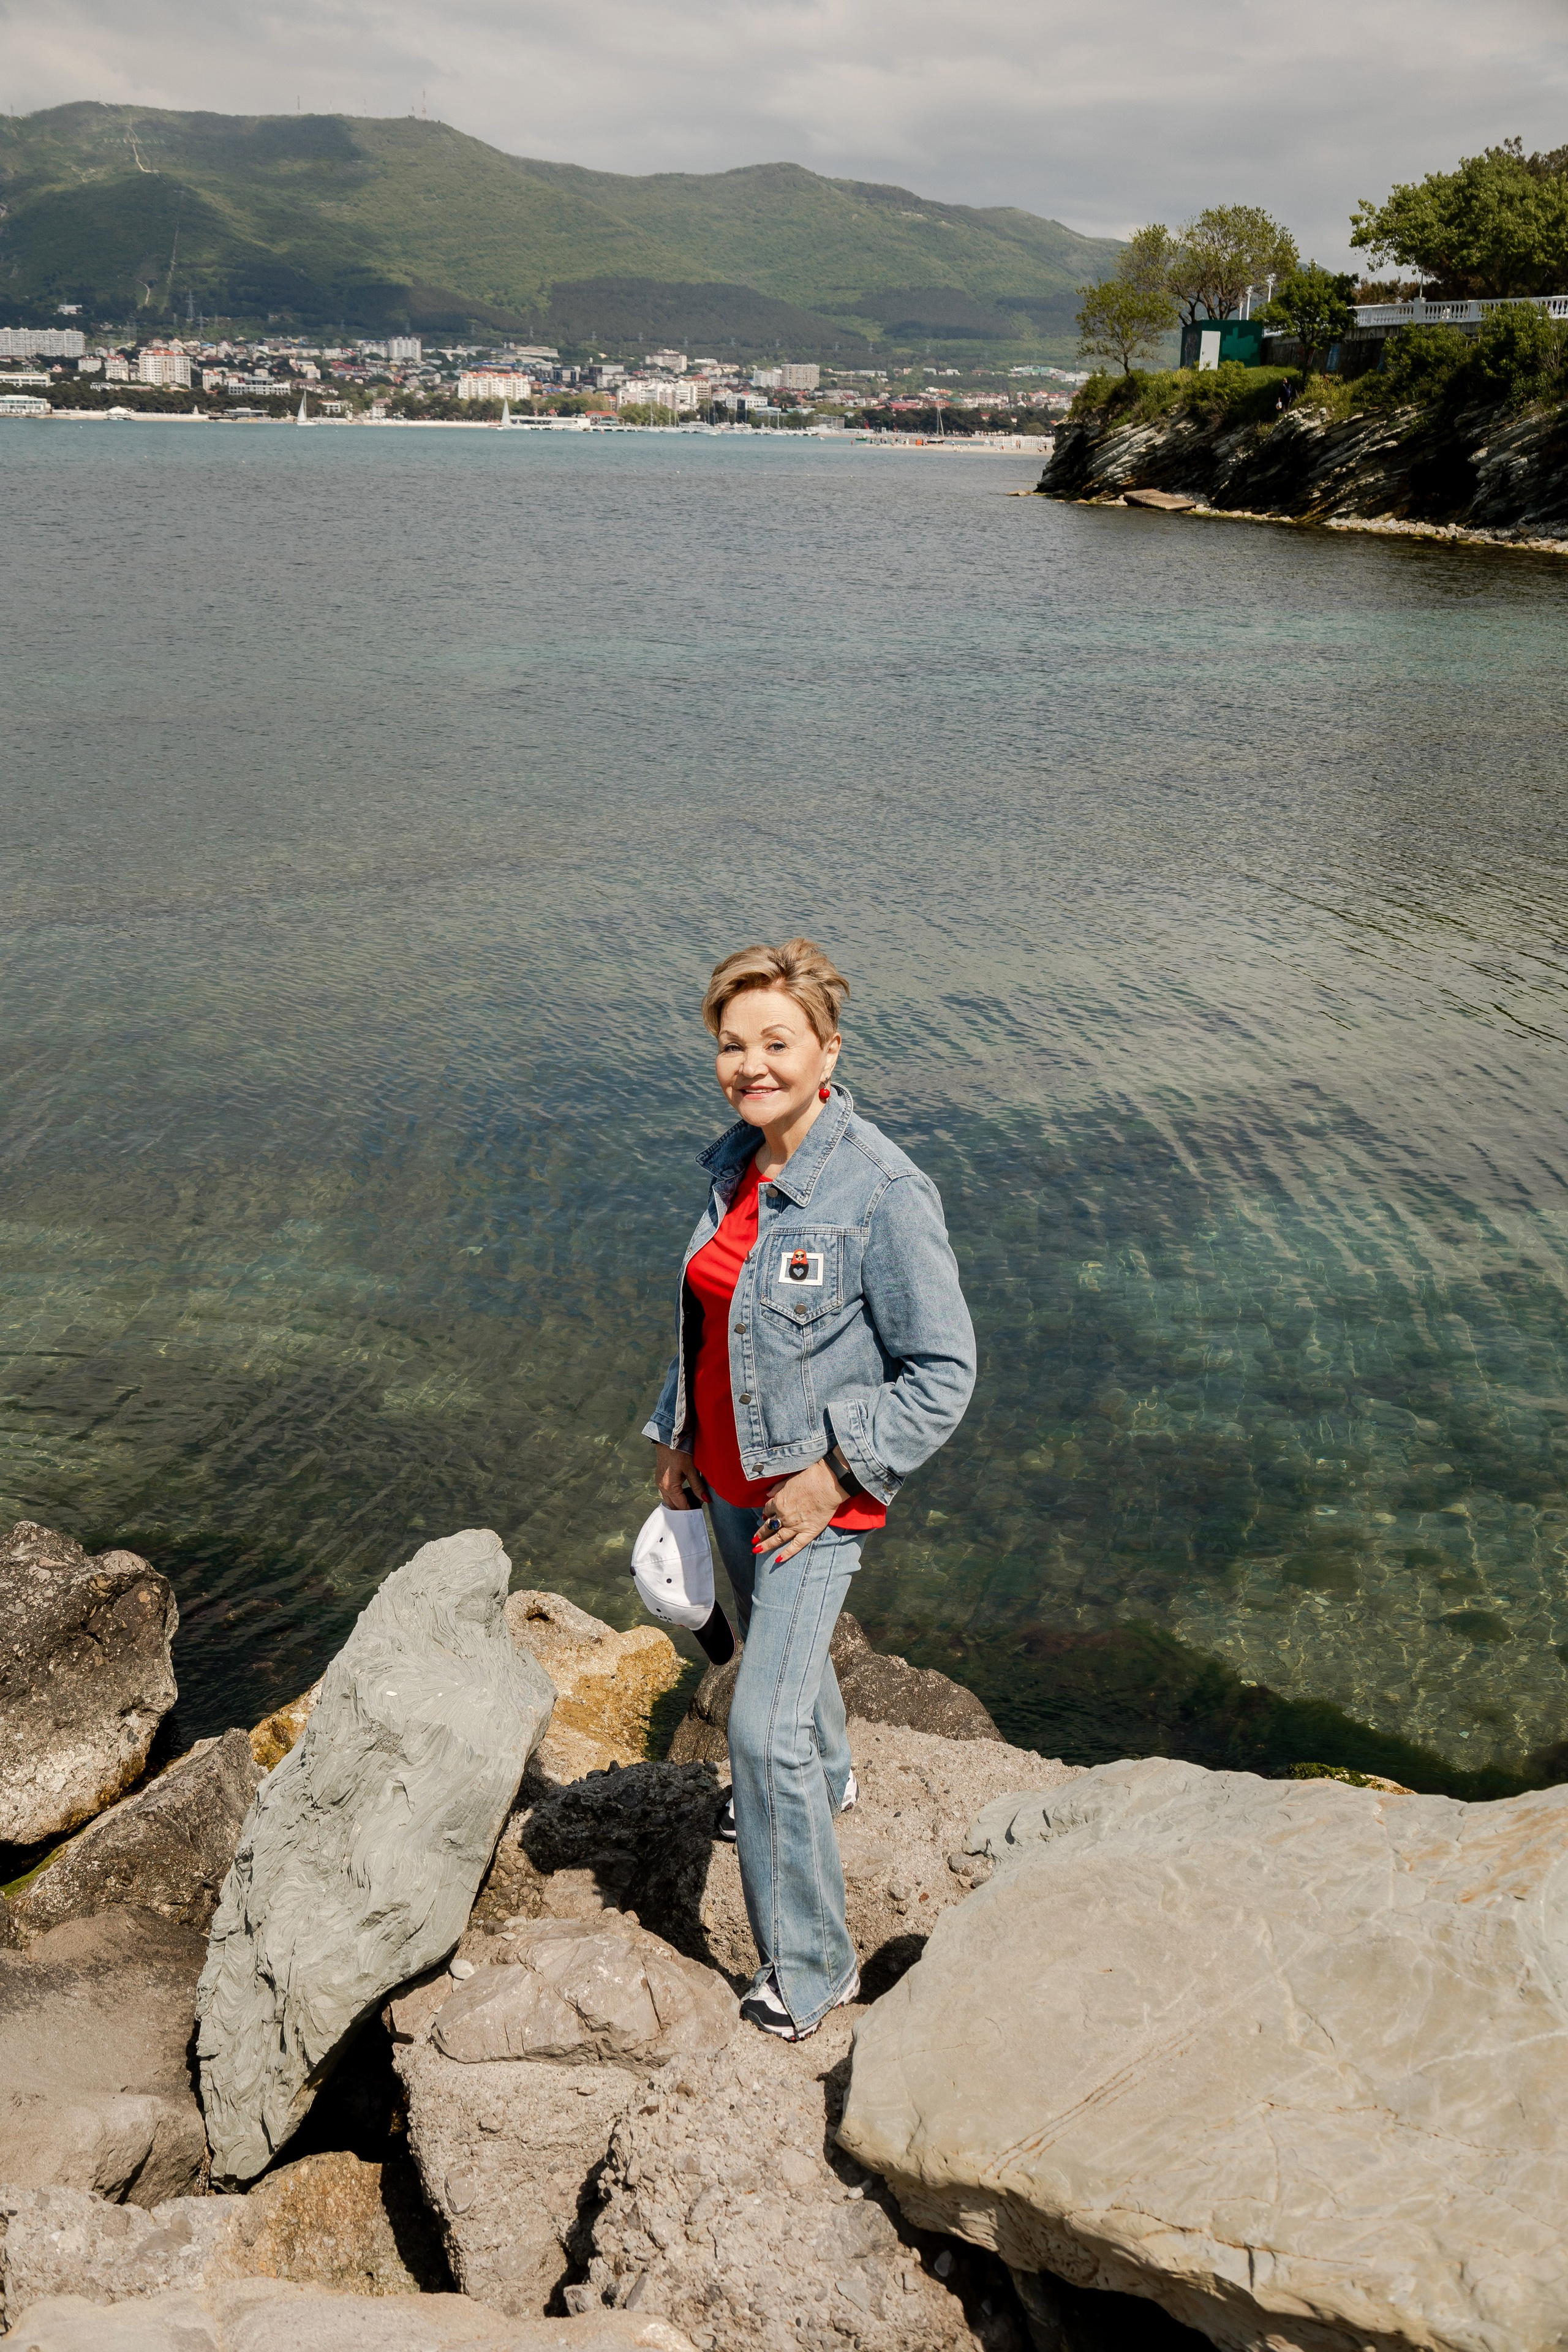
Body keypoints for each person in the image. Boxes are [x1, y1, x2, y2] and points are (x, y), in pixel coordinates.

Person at [644, 938, 976, 2040]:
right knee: (785, 1686)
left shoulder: (882, 1189)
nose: (751, 1065)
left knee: (758, 1727)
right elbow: (710, 1312)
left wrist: (835, 1476)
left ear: (827, 1049)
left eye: (776, 1043)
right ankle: (830, 1781)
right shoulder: (734, 1164)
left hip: (808, 1498)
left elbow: (943, 1374)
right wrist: (677, 1440)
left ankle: (810, 1968)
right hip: (727, 1480)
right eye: (733, 1046)